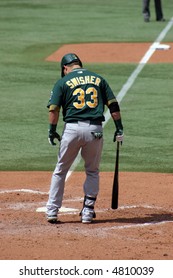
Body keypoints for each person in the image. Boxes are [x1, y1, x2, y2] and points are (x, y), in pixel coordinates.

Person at [46, 53, 124, 224]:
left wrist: (52, 130)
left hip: (72, 130)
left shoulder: (63, 82)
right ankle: (88, 212)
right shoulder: (99, 79)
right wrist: (119, 127)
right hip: (95, 131)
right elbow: (113, 105)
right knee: (92, 171)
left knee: (60, 171)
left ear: (65, 68)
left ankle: (52, 211)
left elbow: (54, 109)